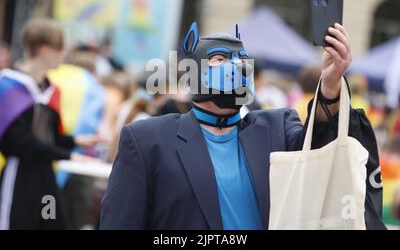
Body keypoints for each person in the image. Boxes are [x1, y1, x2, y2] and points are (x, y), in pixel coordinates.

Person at [100, 22, 379, 229]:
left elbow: (320, 141)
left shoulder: (276, 127)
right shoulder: (148, 139)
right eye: (221, 59)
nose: (237, 66)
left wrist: (330, 85)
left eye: (242, 59)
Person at [0, 18, 99, 230]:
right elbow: (19, 142)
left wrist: (74, 141)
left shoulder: (48, 89)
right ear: (45, 50)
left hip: (45, 176)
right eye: (60, 48)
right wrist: (68, 155)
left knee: (51, 223)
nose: (65, 53)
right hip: (19, 176)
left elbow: (48, 137)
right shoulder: (9, 86)